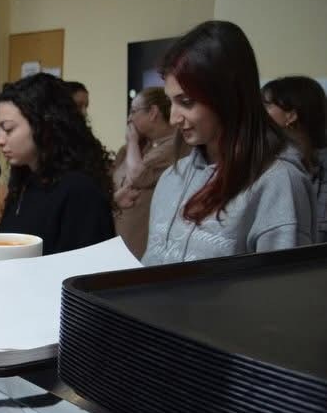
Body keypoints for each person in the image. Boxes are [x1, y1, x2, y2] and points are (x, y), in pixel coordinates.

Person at [143, 21, 314, 265]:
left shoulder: (278, 183)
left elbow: (282, 294)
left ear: (227, 96)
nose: (173, 119)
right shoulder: (172, 178)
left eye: (186, 101)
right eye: (171, 101)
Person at [0, 73, 115, 254]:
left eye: (8, 129)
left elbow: (84, 272)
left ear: (43, 125)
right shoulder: (24, 181)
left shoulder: (79, 191)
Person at [112, 87, 190, 258]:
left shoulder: (176, 146)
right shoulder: (134, 148)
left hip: (141, 246)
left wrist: (132, 140)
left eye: (134, 111)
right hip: (117, 241)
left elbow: (138, 176)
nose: (129, 118)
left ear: (153, 113)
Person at [262, 76, 327, 242]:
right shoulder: (266, 166)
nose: (259, 112)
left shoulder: (319, 167)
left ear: (291, 115)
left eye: (267, 105)